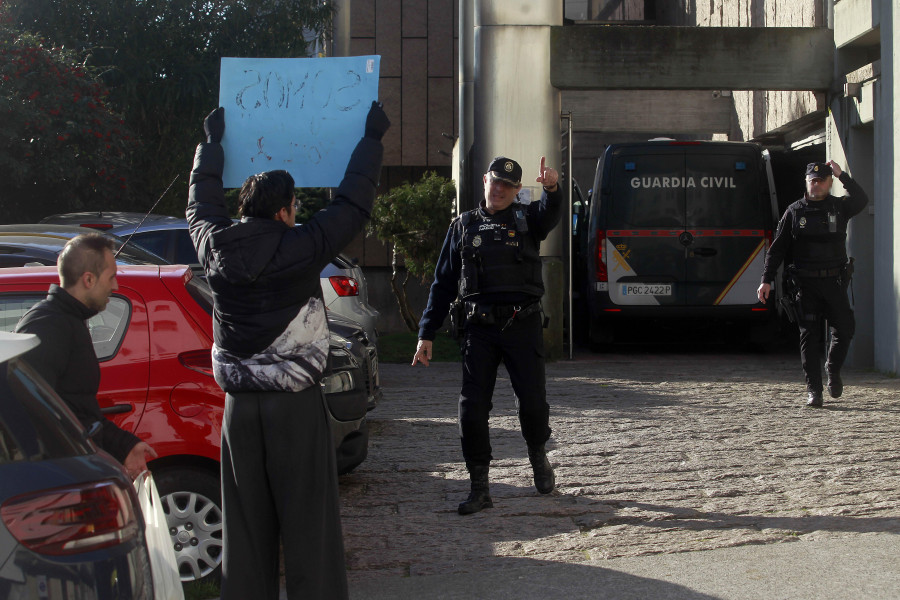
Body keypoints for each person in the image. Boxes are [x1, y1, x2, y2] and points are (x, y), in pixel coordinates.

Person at [187, 101, 389, 599]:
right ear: (284, 210)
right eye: (295, 206)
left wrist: (210, 147)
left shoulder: (214, 246)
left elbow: (199, 207)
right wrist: (370, 140)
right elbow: (352, 205)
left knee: (246, 530)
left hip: (239, 409)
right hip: (294, 406)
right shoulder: (302, 245)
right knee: (309, 528)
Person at [413, 155, 562, 515]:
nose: (499, 190)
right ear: (484, 181)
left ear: (516, 191)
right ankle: (479, 486)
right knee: (472, 408)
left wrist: (553, 188)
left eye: (508, 186)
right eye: (495, 182)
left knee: (532, 402)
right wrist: (426, 333)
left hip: (522, 325)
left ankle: (538, 455)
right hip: (478, 329)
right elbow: (443, 282)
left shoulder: (529, 221)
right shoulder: (463, 226)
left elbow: (551, 211)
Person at [15, 233, 157, 477]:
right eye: (111, 277)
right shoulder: (48, 326)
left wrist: (124, 446)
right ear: (88, 279)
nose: (115, 286)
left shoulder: (68, 320)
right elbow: (33, 412)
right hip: (54, 478)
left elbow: (75, 408)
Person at [757, 161, 869, 407]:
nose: (816, 184)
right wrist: (766, 279)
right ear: (806, 182)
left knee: (845, 329)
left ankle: (832, 368)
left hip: (834, 282)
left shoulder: (839, 207)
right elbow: (777, 250)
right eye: (812, 180)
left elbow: (861, 199)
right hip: (805, 284)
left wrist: (843, 175)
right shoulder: (794, 211)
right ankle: (814, 391)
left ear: (829, 182)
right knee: (808, 334)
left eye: (821, 180)